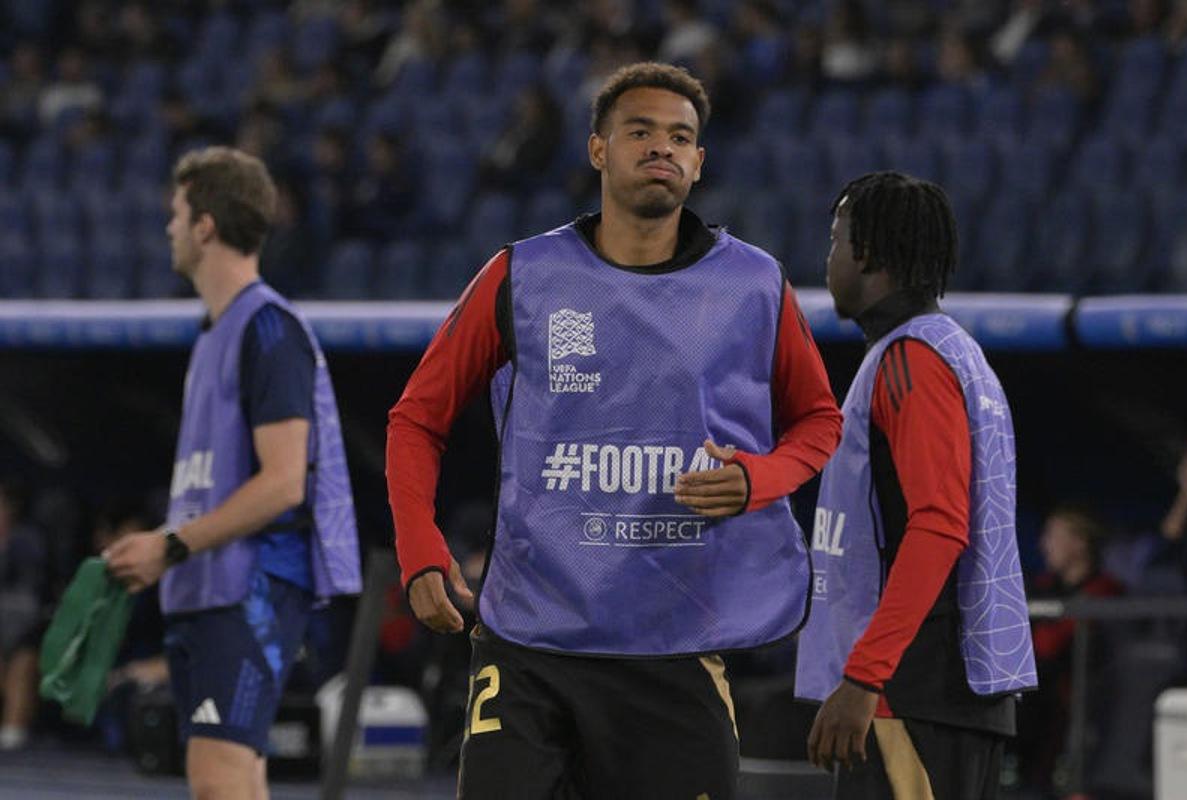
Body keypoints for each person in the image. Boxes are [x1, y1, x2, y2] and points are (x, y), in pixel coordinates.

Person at [386, 61, 843, 799]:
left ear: (699, 162)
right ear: (598, 149)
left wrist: (759, 479)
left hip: (677, 646)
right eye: (640, 131)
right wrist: (418, 549)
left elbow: (821, 420)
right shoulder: (520, 275)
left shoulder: (754, 284)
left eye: (680, 137)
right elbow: (416, 418)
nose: (661, 147)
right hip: (531, 642)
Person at [105, 146, 361, 800]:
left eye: (177, 212)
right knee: (233, 783)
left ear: (206, 226)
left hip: (251, 585)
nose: (169, 227)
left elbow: (282, 484)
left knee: (219, 783)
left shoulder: (268, 330)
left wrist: (167, 545)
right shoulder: (214, 335)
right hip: (210, 584)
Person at [798, 171, 1038, 798]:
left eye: (835, 242)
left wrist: (864, 678)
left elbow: (937, 526)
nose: (829, 262)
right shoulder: (950, 351)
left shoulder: (913, 360)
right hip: (934, 686)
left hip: (913, 687)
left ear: (868, 253)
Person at [1017, 505, 1122, 792]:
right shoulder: (1041, 587)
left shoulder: (1107, 591)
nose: (1044, 545)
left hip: (1084, 715)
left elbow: (1048, 646)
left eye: (1053, 535)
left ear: (1080, 542)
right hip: (1037, 714)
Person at [0, 482, 47, 750]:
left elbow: (31, 602)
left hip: (22, 631)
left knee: (23, 660)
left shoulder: (27, 542)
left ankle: (13, 730)